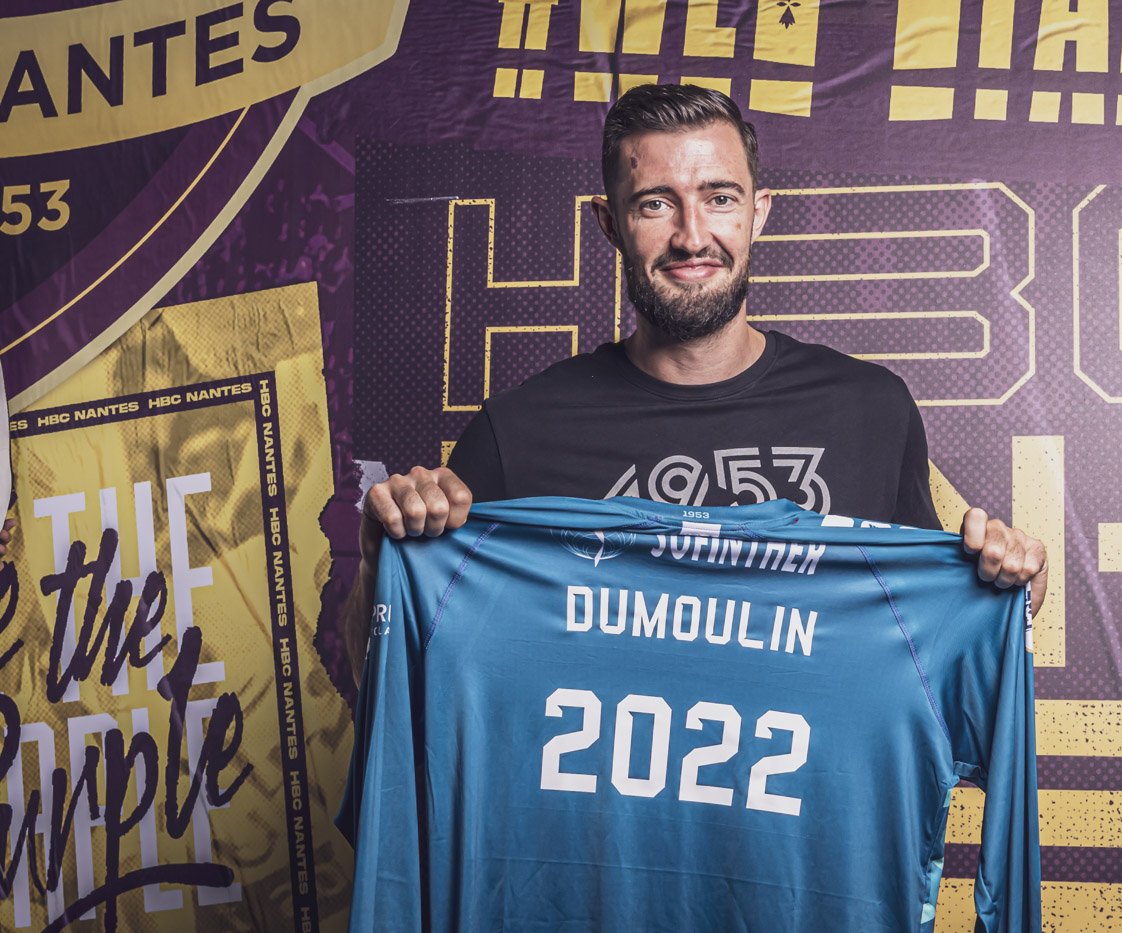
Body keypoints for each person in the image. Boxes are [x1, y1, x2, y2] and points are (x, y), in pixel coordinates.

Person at [343, 84, 1048, 681]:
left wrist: (1004, 597)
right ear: (609, 224)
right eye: (655, 203)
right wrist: (381, 564)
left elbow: (926, 660)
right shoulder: (518, 433)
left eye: (719, 198)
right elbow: (398, 684)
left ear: (757, 213)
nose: (691, 236)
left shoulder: (868, 410)